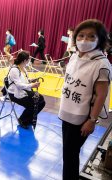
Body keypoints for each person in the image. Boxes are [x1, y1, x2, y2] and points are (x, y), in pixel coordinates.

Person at [58, 19, 112, 180]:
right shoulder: (75, 56)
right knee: (68, 153)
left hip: (82, 118)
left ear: (100, 40)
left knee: (70, 155)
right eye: (80, 35)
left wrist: (92, 120)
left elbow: (102, 95)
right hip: (67, 113)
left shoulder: (101, 63)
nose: (84, 40)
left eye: (90, 36)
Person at [7, 51, 46, 129]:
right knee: (35, 102)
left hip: (23, 91)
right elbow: (18, 85)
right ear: (24, 60)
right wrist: (32, 85)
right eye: (28, 59)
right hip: (14, 94)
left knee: (42, 103)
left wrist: (32, 80)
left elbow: (24, 80)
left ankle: (29, 119)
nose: (29, 61)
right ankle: (22, 119)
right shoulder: (14, 69)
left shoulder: (23, 68)